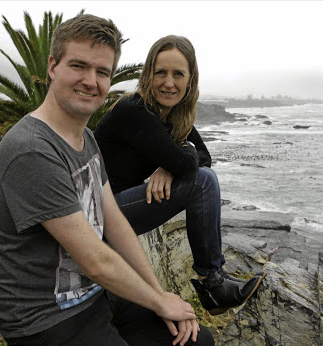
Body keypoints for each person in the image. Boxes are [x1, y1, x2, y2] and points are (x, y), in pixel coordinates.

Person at [0, 15, 214, 346]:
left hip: (95, 295)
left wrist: (158, 292)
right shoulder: (31, 151)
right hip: (47, 319)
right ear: (52, 66)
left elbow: (114, 221)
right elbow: (94, 259)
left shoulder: (86, 139)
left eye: (102, 72)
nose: (91, 81)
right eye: (79, 66)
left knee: (197, 341)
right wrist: (159, 302)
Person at [94, 35, 266, 316]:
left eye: (178, 74)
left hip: (118, 208)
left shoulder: (173, 116)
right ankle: (212, 282)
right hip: (99, 212)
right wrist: (175, 161)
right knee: (203, 182)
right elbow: (190, 167)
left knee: (203, 176)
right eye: (160, 72)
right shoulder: (135, 110)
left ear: (190, 79)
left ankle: (215, 280)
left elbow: (204, 158)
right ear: (148, 74)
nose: (168, 82)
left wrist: (168, 166)